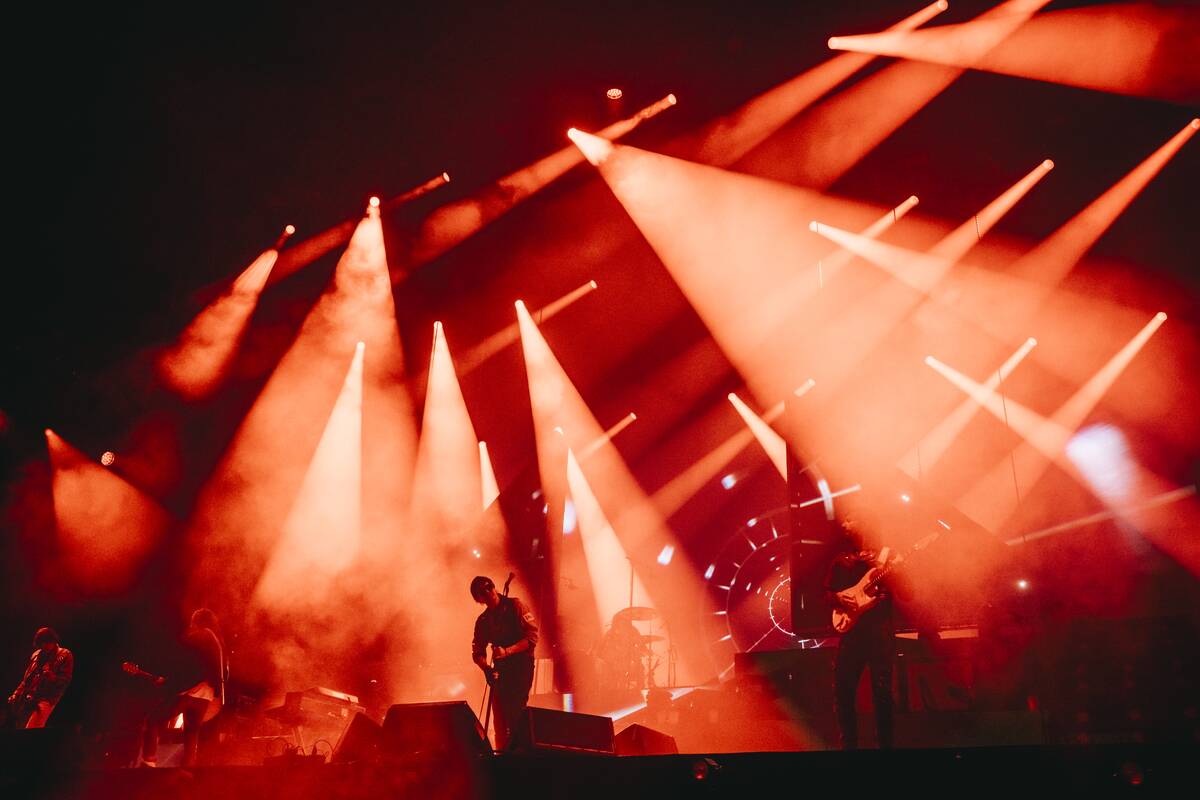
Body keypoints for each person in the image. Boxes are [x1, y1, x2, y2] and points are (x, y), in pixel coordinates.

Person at [825, 518, 894, 749]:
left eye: (850, 521)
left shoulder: (884, 559)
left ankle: (886, 746)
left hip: (878, 633)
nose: (845, 525)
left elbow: (908, 595)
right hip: (851, 635)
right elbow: (823, 594)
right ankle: (849, 747)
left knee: (882, 696)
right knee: (843, 693)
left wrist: (890, 584)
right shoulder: (841, 562)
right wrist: (836, 597)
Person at [140, 608, 224, 767]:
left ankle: (148, 763)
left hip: (190, 691)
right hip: (206, 695)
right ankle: (187, 772)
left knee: (152, 720)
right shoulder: (217, 641)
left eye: (193, 621)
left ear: (196, 621)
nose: (191, 625)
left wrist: (168, 682)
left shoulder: (197, 637)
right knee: (191, 734)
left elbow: (182, 666)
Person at [470, 575, 538, 752]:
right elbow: (477, 652)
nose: (488, 593)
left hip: (520, 668)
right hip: (500, 672)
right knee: (499, 720)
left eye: (489, 588)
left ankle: (522, 756)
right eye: (482, 594)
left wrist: (507, 651)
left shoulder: (515, 606)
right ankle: (502, 756)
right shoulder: (483, 621)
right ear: (479, 600)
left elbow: (532, 638)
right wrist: (486, 668)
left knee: (516, 714)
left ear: (494, 587)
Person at [7, 627, 73, 729]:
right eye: (41, 644)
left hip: (47, 698)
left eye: (46, 643)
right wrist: (16, 693)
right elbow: (27, 679)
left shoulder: (65, 655)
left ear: (53, 640)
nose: (43, 646)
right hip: (29, 698)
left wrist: (52, 677)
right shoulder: (36, 655)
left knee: (32, 728)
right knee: (22, 729)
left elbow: (66, 680)